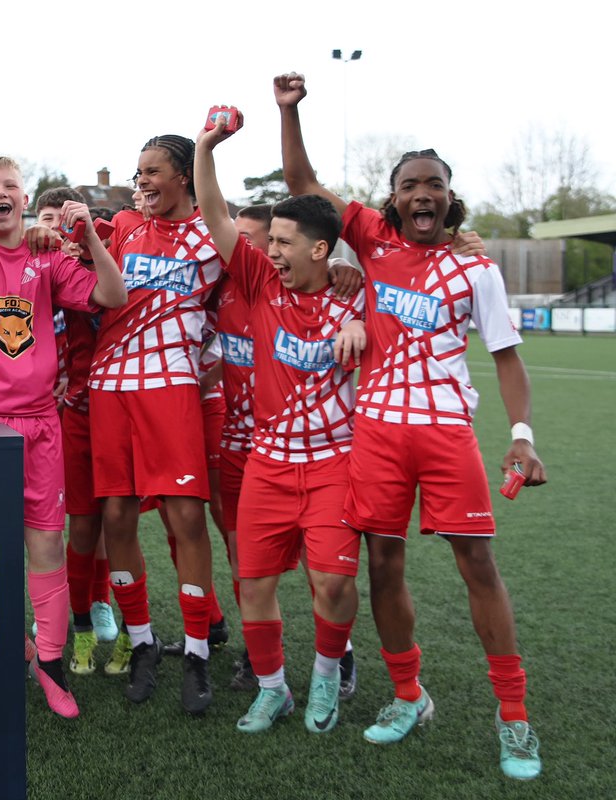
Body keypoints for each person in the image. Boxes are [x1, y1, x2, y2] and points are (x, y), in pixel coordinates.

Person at [276, 71, 546, 780]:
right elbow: (304, 183)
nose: (421, 194)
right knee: (383, 563)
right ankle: (407, 696)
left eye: (434, 185)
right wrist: (290, 111)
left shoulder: (476, 269)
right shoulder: (369, 241)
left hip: (445, 430)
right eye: (409, 185)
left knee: (477, 564)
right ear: (393, 199)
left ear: (449, 198)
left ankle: (513, 717)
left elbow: (509, 359)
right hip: (379, 433)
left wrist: (522, 435)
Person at [0, 86, 127, 718]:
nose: (1, 194)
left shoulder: (48, 261)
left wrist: (89, 238)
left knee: (45, 544)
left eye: (10, 184)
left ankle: (50, 664)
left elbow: (113, 296)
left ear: (23, 193)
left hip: (39, 425)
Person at [194, 113, 365, 734]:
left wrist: (362, 323)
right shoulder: (264, 283)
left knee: (333, 585)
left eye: (284, 243)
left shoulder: (357, 293)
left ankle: (324, 677)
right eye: (269, 244)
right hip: (269, 459)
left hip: (334, 461)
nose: (271, 253)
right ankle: (273, 689)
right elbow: (213, 212)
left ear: (321, 250)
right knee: (254, 583)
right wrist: (207, 147)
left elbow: (405, 301)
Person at [89, 134, 226, 715]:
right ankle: (142, 640)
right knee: (116, 513)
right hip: (109, 384)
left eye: (153, 172)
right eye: (137, 172)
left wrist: (207, 147)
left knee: (184, 513)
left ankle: (197, 651)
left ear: (185, 179)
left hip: (171, 385)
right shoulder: (121, 227)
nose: (141, 181)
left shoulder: (215, 236)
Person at [32, 188, 121, 676]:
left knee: (107, 518)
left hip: (99, 402)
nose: (53, 231)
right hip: (59, 407)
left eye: (59, 222)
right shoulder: (30, 266)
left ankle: (99, 602)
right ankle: (70, 612)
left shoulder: (88, 267)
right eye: (44, 220)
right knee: (73, 517)